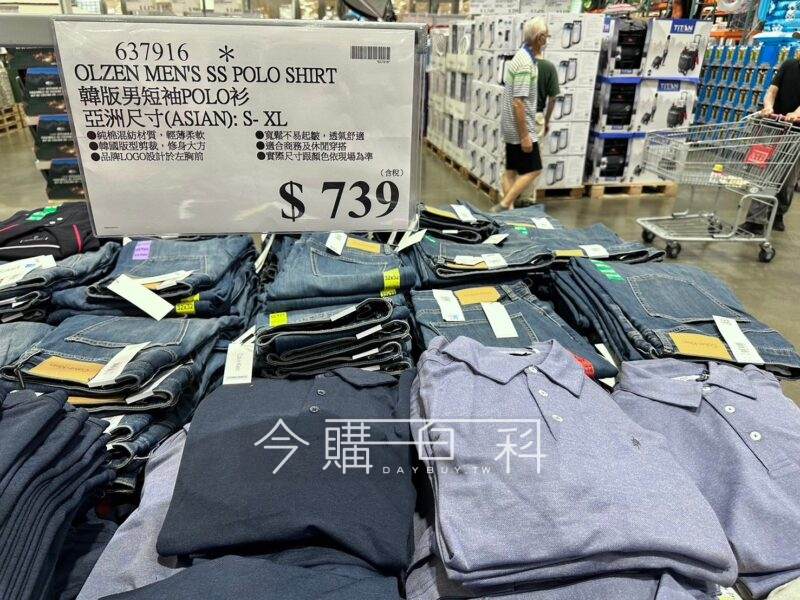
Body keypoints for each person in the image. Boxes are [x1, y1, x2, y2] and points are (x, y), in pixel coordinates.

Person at [492, 18, 548, 213]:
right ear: (539, 37)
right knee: (535, 169)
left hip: (510, 126)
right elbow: (518, 102)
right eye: (546, 35)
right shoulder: (525, 63)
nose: (547, 39)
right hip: (519, 129)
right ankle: (504, 205)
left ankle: (509, 214)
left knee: (511, 171)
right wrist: (525, 135)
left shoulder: (521, 57)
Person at [741, 54, 800, 234]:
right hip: (773, 127)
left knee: (788, 180)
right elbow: (772, 91)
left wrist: (797, 113)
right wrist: (768, 106)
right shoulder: (789, 65)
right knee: (764, 173)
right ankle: (756, 221)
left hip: (796, 133)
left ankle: (778, 213)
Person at [536, 56, 560, 140]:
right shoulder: (549, 67)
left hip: (518, 116)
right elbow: (552, 100)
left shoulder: (518, 64)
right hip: (536, 117)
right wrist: (546, 122)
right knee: (535, 147)